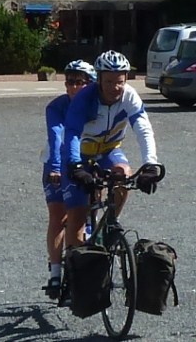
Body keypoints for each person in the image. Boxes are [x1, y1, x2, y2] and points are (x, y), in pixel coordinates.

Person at [62, 50, 162, 250]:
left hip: (109, 151)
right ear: (98, 79)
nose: (115, 87)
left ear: (126, 79)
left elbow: (143, 129)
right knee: (77, 217)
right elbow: (72, 132)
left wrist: (150, 164)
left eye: (119, 82)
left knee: (124, 175)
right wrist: (75, 165)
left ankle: (107, 225)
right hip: (81, 154)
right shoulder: (85, 98)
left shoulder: (129, 96)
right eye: (108, 82)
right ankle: (76, 265)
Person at [40, 60, 96, 298]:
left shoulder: (97, 105)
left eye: (78, 82)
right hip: (57, 162)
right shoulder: (57, 106)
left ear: (90, 84)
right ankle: (55, 273)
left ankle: (89, 245)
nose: (72, 87)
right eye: (69, 82)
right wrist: (55, 168)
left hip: (87, 160)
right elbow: (56, 137)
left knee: (87, 210)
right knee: (58, 215)